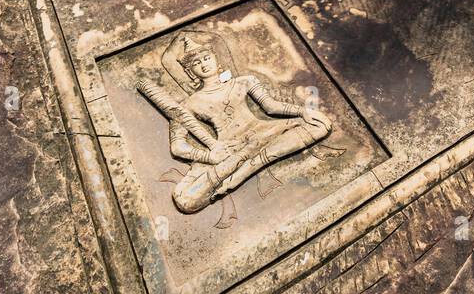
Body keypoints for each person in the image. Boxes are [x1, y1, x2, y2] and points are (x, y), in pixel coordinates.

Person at [137, 28, 332, 213]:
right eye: (196, 63)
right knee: (185, 200)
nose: (204, 64)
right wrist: (210, 156)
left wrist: (302, 111)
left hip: (263, 131)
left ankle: (243, 172)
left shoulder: (244, 81)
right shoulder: (189, 104)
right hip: (229, 148)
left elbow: (271, 107)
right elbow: (178, 147)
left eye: (206, 58)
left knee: (320, 125)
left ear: (216, 58)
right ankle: (245, 162)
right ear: (189, 71)